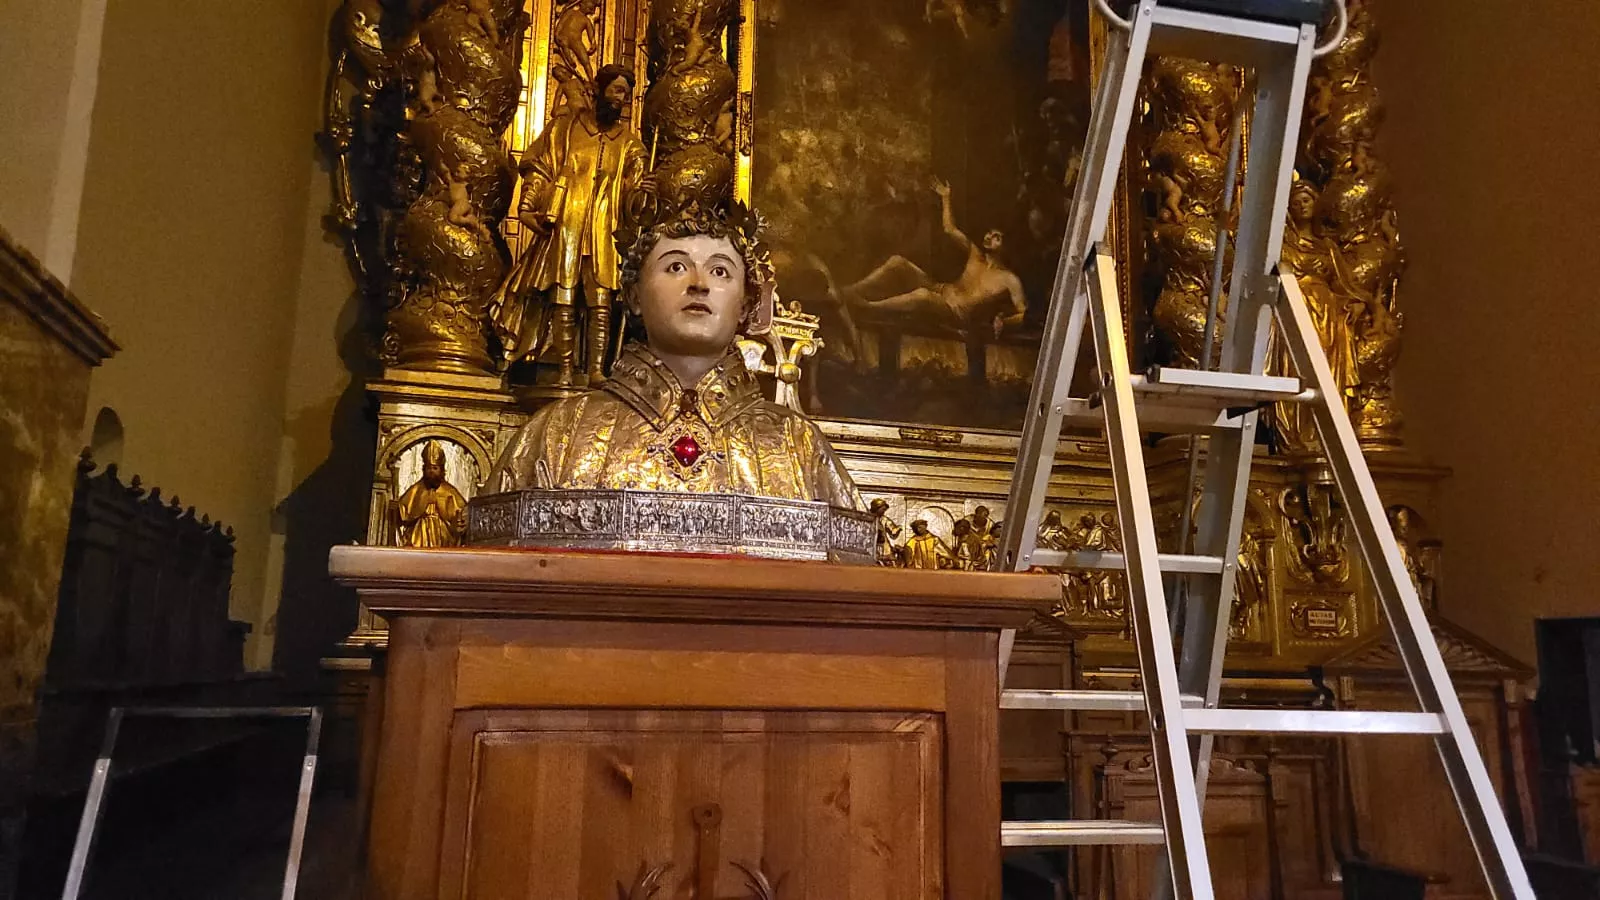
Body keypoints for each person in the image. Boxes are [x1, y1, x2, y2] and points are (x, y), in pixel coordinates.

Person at [485, 201, 860, 508]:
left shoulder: (798, 445)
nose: (699, 284)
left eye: (720, 271)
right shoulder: (556, 434)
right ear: (634, 295)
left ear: (746, 305)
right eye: (676, 267)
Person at [489, 64, 650, 385]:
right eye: (617, 90)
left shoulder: (630, 145)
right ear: (598, 89)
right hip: (566, 223)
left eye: (626, 94)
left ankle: (595, 370)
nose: (621, 99)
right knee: (562, 294)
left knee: (600, 300)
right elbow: (540, 169)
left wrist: (643, 193)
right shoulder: (564, 129)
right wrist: (527, 206)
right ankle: (563, 370)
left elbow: (634, 201)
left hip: (603, 229)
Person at [844, 179, 1027, 340]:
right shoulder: (975, 253)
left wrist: (1004, 321)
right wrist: (946, 198)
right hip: (942, 290)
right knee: (898, 262)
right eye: (989, 233)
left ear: (1007, 246)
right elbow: (949, 229)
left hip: (955, 313)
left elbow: (1023, 313)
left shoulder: (1009, 279)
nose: (988, 237)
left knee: (922, 296)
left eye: (996, 237)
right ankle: (851, 290)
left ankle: (869, 307)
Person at [393, 440, 469, 548]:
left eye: (435, 468)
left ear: (442, 471)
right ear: (424, 469)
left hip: (443, 535)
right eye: (429, 468)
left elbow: (462, 513)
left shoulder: (449, 491)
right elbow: (403, 510)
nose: (431, 471)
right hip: (419, 534)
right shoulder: (416, 489)